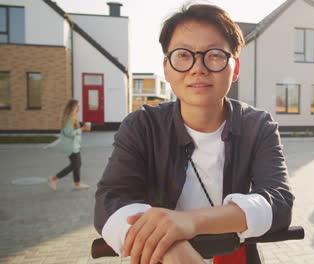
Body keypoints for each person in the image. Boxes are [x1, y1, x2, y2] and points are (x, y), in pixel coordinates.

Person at [94, 4, 293, 264]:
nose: (198, 68)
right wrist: (170, 246)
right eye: (183, 55)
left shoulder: (257, 126)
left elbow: (278, 202)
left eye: (214, 54)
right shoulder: (143, 126)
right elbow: (110, 201)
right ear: (166, 67)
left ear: (236, 67)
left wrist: (188, 222)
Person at [48, 99, 91, 191]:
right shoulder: (69, 118)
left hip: (74, 145)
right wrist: (82, 129)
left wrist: (81, 129)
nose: (79, 108)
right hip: (71, 146)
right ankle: (54, 179)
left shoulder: (72, 117)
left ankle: (77, 184)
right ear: (73, 107)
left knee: (77, 164)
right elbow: (69, 132)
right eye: (77, 106)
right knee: (75, 165)